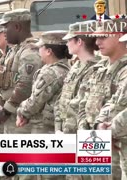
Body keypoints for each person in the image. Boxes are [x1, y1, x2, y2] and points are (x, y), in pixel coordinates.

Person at [76, 19, 127, 180]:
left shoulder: (123, 70)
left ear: (120, 36)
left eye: (103, 36)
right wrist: (86, 130)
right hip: (93, 138)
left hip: (115, 143)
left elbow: (119, 105)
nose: (97, 42)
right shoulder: (97, 69)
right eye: (96, 37)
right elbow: (82, 102)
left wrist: (106, 133)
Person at [16, 30, 70, 180]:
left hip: (44, 128)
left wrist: (22, 112)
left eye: (40, 47)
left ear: (49, 51)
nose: (38, 50)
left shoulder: (51, 73)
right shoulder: (63, 69)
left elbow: (35, 101)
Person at [54, 21, 99, 135]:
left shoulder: (96, 69)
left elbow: (84, 108)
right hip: (65, 131)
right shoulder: (76, 66)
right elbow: (61, 99)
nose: (67, 44)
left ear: (79, 41)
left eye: (69, 40)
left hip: (80, 134)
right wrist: (58, 128)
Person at [95, 31, 127, 179]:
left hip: (114, 139)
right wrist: (99, 124)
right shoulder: (100, 68)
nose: (97, 42)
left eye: (103, 37)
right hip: (101, 135)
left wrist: (109, 131)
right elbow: (114, 100)